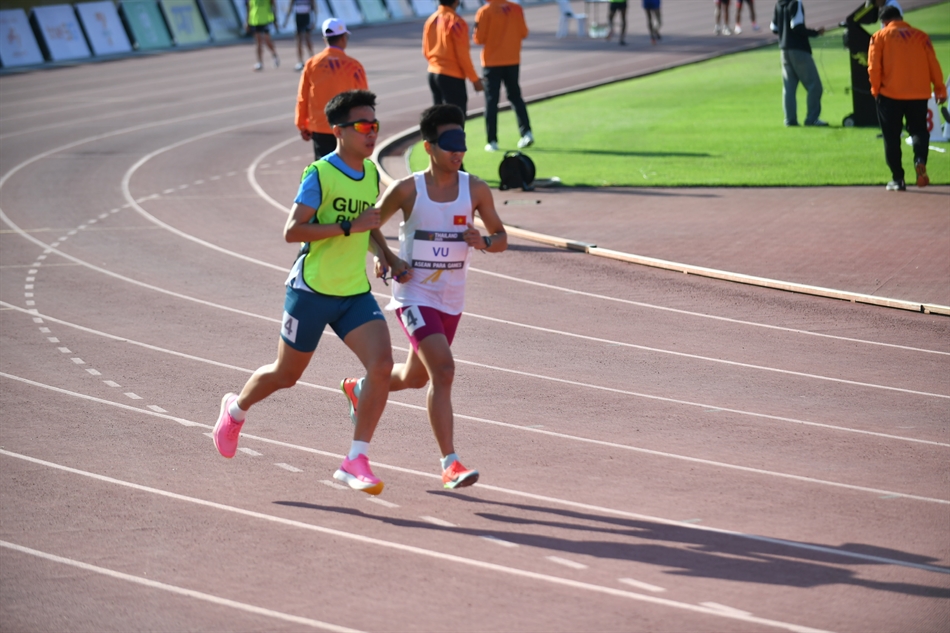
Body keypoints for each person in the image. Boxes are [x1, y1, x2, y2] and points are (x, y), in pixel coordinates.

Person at [214, 90, 394, 496]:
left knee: (382, 365)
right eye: (363, 125)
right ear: (339, 131)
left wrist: (386, 254)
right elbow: (293, 230)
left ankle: (355, 460)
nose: (372, 132)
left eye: (375, 125)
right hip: (311, 290)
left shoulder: (370, 173)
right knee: (286, 375)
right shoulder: (320, 174)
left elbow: (367, 223)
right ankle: (235, 411)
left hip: (354, 291)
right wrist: (348, 227)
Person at [341, 104, 507, 490]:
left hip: (451, 298)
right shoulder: (407, 189)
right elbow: (369, 225)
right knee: (443, 370)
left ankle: (360, 388)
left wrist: (484, 241)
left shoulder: (475, 189)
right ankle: (450, 463)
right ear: (429, 146)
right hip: (413, 294)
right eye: (450, 144)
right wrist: (386, 256)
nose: (458, 151)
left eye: (462, 143)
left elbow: (501, 238)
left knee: (417, 377)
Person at [868, 6, 947, 191]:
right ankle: (920, 160)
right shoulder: (921, 36)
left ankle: (898, 179)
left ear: (884, 22)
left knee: (891, 137)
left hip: (890, 95)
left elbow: (874, 67)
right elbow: (933, 64)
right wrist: (940, 89)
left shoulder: (880, 36)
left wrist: (875, 90)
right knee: (919, 131)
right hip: (919, 94)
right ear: (900, 17)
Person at [296, 19, 369, 161]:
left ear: (325, 40)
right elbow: (364, 101)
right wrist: (365, 127)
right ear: (343, 38)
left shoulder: (312, 64)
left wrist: (302, 124)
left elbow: (302, 97)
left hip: (320, 127)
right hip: (347, 127)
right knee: (346, 166)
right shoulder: (354, 66)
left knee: (324, 168)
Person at [473, 0, 533, 151]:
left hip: (491, 62)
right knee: (515, 96)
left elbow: (478, 38)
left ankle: (492, 140)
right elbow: (524, 32)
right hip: (512, 59)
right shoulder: (516, 8)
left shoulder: (484, 11)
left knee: (491, 101)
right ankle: (526, 132)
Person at [423, 0, 484, 116]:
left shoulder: (431, 20)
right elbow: (462, 55)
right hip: (451, 76)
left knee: (438, 120)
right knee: (455, 119)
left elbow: (425, 50)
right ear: (456, 2)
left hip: (433, 72)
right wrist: (474, 79)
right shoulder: (456, 22)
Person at [771, 0, 826, 127]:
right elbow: (796, 26)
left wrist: (785, 35)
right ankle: (812, 119)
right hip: (799, 50)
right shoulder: (796, 2)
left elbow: (774, 28)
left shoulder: (779, 3)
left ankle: (790, 120)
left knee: (789, 88)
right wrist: (816, 32)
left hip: (784, 50)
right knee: (814, 86)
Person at [246, 0, 280, 71]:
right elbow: (249, 8)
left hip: (266, 20)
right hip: (255, 21)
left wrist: (275, 20)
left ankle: (274, 55)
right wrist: (247, 21)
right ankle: (260, 62)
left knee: (267, 41)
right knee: (258, 42)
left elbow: (273, 5)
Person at [283, 0, 315, 71]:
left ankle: (313, 59)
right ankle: (300, 61)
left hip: (306, 16)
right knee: (299, 40)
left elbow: (314, 6)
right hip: (298, 17)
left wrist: (314, 21)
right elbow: (290, 6)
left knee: (307, 39)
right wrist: (286, 20)